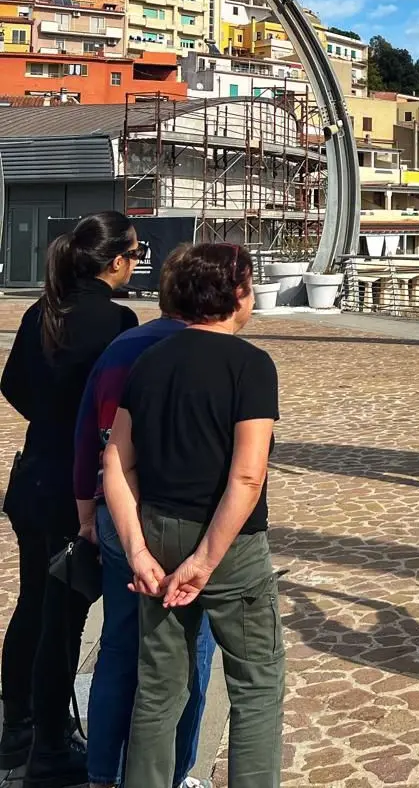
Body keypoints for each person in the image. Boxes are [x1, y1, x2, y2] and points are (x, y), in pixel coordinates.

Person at [103, 243, 284, 787]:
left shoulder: (148, 361)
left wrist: (135, 548)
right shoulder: (250, 365)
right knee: (255, 684)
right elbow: (247, 477)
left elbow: (116, 462)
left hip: (157, 535)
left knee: (159, 685)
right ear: (236, 295)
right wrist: (207, 559)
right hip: (229, 546)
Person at [0, 211, 140, 787]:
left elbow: (12, 384)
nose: (137, 261)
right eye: (134, 252)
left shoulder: (44, 310)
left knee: (34, 604)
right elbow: (124, 406)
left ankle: (18, 726)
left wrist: (53, 417)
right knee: (62, 617)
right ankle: (50, 744)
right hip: (73, 486)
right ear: (115, 262)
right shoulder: (117, 322)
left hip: (33, 476)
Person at [72, 250, 216, 788]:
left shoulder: (121, 346)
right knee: (191, 649)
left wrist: (88, 511)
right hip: (180, 518)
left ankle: (102, 772)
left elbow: (89, 434)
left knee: (117, 646)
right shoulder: (213, 352)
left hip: (116, 514)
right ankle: (176, 772)